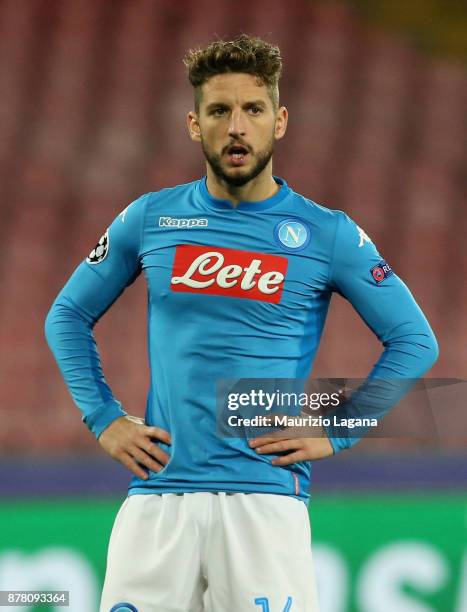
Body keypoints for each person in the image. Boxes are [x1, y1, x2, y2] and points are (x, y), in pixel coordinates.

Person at [45, 34, 438, 612]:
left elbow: (415, 342)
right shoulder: (150, 217)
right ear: (193, 124)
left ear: (279, 121)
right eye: (219, 110)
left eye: (252, 110)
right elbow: (67, 316)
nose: (236, 126)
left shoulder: (326, 234)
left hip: (265, 504)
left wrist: (338, 429)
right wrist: (104, 417)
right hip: (158, 500)